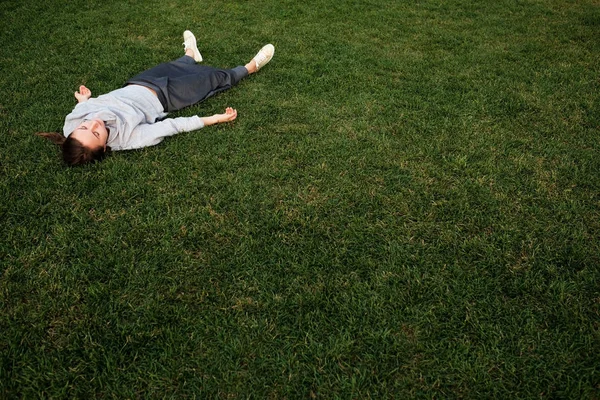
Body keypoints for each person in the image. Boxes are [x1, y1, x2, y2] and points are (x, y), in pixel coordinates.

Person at [38, 30, 275, 166]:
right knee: (213, 80)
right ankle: (250, 67)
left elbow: (82, 112)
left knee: (174, 65)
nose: (94, 123)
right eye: (97, 133)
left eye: (85, 126)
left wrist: (84, 100)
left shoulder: (71, 124)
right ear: (105, 147)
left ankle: (191, 54)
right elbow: (171, 126)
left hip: (138, 83)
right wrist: (214, 118)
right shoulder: (129, 138)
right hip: (167, 97)